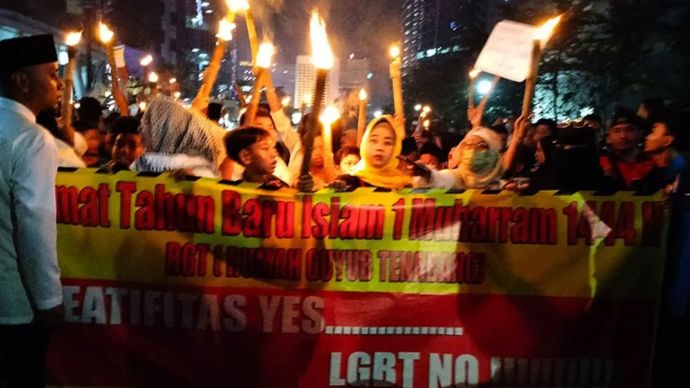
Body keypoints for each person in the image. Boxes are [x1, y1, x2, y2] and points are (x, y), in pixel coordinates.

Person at [0, 34, 64, 388]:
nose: (59, 83)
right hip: (13, 304)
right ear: (22, 81)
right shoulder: (31, 138)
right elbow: (35, 223)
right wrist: (48, 299)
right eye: (52, 73)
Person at [331, 115, 412, 190]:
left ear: (396, 148)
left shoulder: (404, 184)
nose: (379, 148)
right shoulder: (350, 181)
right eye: (373, 141)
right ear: (365, 143)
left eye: (387, 143)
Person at [600, 109, 654, 190]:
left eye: (630, 130)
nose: (623, 136)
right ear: (608, 138)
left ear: (640, 134)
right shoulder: (600, 163)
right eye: (617, 131)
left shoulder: (653, 161)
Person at [638, 120, 685, 194]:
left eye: (653, 133)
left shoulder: (681, 169)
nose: (647, 137)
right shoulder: (645, 168)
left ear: (667, 140)